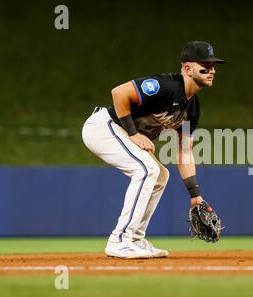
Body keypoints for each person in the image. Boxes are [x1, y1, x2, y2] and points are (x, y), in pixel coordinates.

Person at [81, 41, 225, 259]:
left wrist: (196, 196)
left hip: (118, 132)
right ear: (187, 69)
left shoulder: (192, 109)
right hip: (103, 127)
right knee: (147, 169)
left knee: (160, 175)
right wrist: (133, 133)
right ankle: (119, 240)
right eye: (205, 65)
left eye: (213, 66)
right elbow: (119, 93)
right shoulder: (166, 86)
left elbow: (185, 152)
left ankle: (135, 239)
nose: (212, 70)